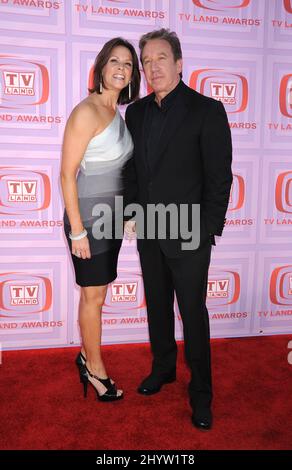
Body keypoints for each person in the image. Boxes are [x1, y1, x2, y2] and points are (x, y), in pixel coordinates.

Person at [124, 29, 232, 428]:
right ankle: (164, 368)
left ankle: (201, 393)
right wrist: (134, 215)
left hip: (190, 232)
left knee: (192, 313)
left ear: (179, 63)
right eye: (146, 61)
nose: (153, 67)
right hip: (150, 231)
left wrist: (205, 230)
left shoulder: (207, 110)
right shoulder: (135, 113)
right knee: (157, 306)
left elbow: (219, 178)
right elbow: (135, 173)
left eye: (161, 58)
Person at [61, 38, 140, 402]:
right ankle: (95, 370)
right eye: (114, 61)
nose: (121, 68)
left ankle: (86, 356)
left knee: (99, 294)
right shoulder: (87, 111)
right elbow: (66, 174)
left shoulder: (116, 112)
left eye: (128, 63)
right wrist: (77, 230)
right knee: (92, 296)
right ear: (101, 67)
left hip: (109, 221)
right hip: (88, 223)